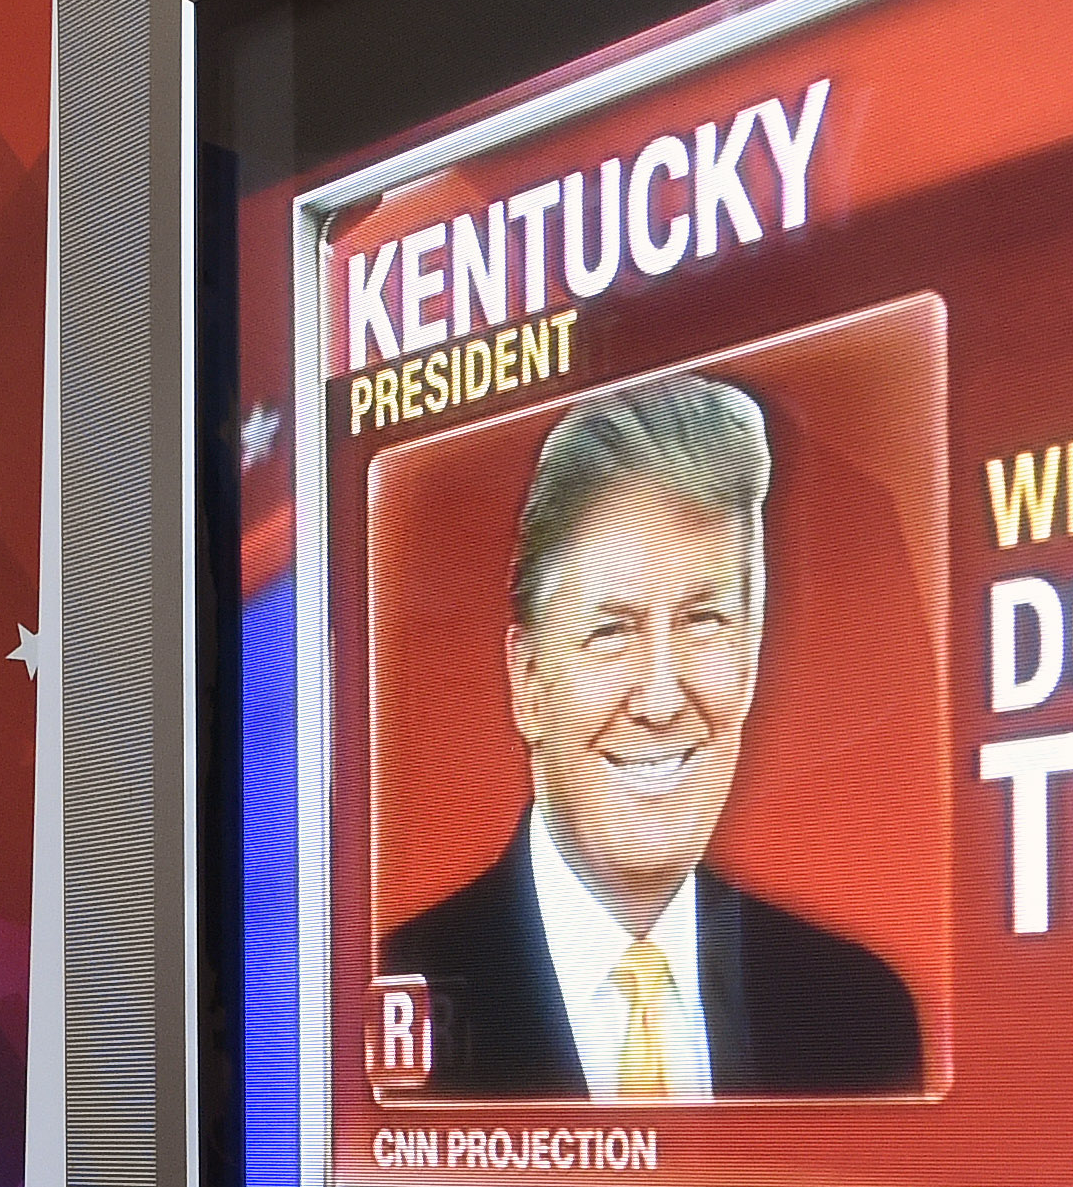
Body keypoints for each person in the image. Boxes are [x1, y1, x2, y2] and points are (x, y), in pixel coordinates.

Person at [381, 368, 921, 1101]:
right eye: (611, 631)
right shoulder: (376, 1003)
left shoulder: (857, 1016)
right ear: (530, 682)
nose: (662, 698)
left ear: (752, 651)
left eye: (704, 621)